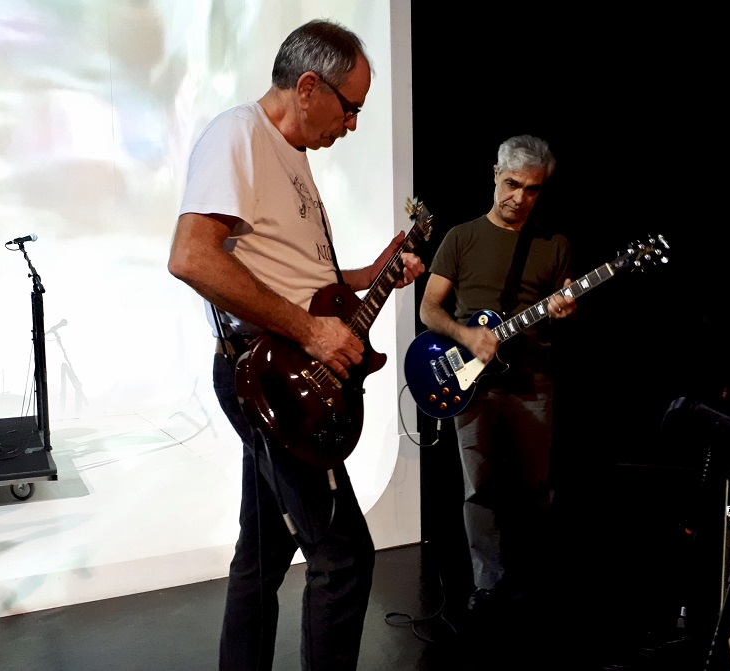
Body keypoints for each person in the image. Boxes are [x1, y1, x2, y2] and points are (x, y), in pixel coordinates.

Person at [167, 19, 424, 671]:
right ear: (309, 87)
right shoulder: (239, 135)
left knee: (262, 555)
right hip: (272, 377)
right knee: (343, 559)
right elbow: (192, 256)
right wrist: (310, 330)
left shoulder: (295, 161)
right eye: (351, 106)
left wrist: (375, 273)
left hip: (288, 372)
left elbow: (309, 283)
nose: (356, 123)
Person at [417, 134, 576, 615]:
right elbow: (429, 309)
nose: (519, 198)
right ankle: (488, 583)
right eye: (511, 184)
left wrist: (566, 307)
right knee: (480, 490)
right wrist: (467, 338)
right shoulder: (461, 237)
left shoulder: (554, 244)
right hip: (472, 385)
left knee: (534, 490)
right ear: (494, 173)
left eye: (532, 189)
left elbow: (563, 300)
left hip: (533, 383)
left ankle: (530, 578)